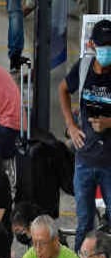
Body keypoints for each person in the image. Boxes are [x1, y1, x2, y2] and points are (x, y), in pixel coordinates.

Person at [61, 20, 111, 246]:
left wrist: (109, 122)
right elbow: (63, 89)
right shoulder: (83, 67)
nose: (106, 51)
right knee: (83, 224)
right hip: (84, 159)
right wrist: (71, 125)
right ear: (92, 44)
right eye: (102, 45)